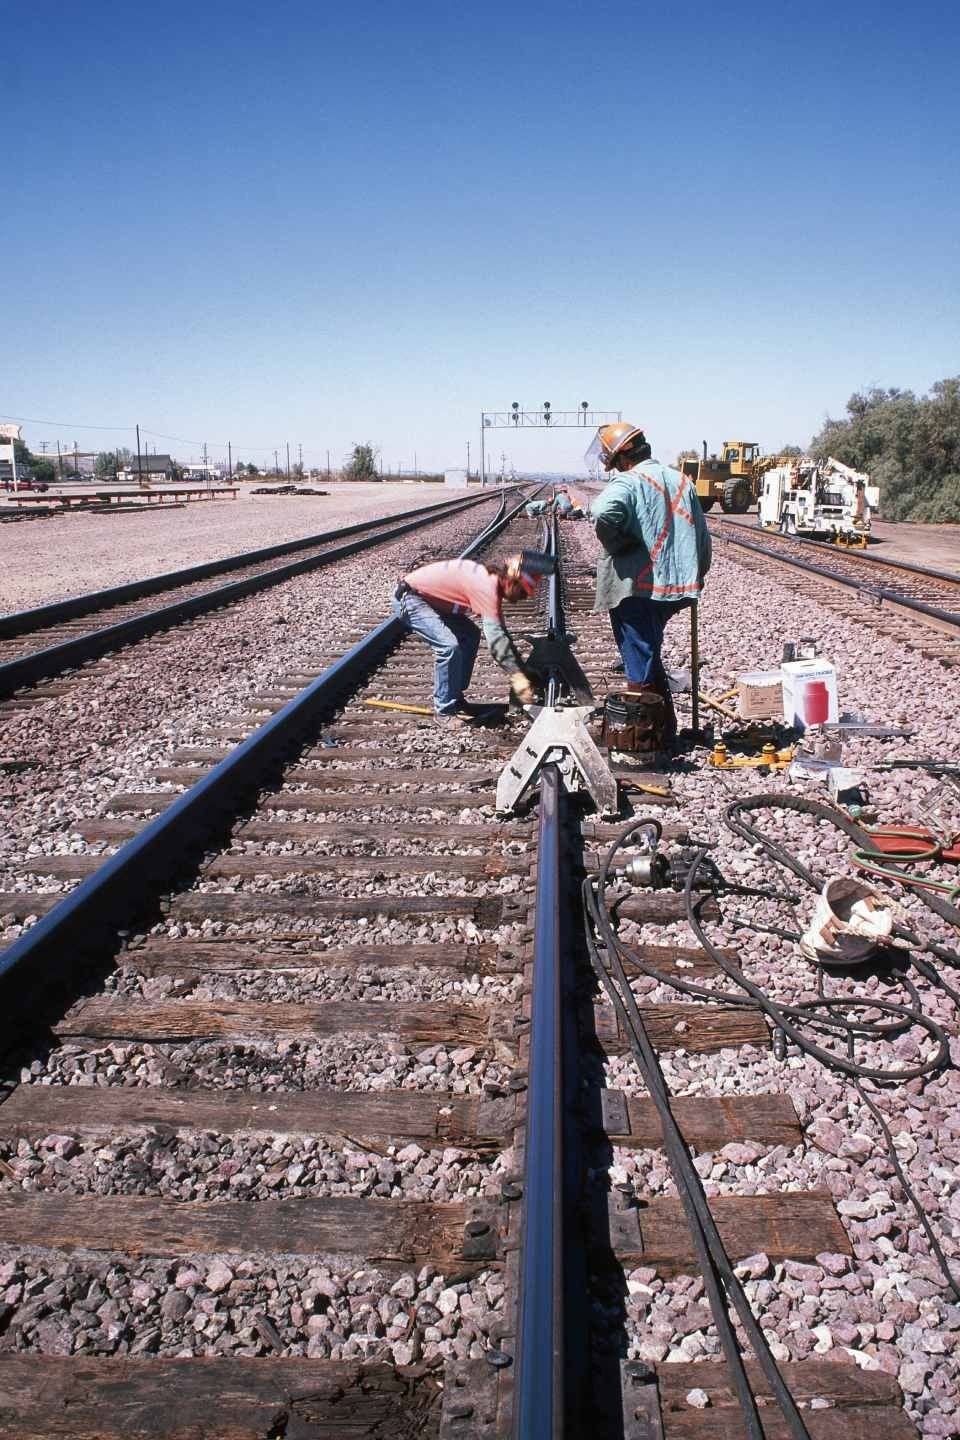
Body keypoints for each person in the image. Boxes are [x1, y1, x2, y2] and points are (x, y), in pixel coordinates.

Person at [585, 422, 711, 749]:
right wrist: (694, 576)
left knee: (638, 661)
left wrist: (620, 543)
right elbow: (702, 540)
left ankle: (641, 737)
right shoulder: (683, 481)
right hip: (675, 587)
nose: (612, 467)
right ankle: (666, 730)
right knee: (649, 651)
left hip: (637, 588)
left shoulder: (629, 480)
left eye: (612, 461)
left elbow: (600, 511)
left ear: (624, 456)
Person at [393, 552, 548, 725]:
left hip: (433, 603)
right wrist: (518, 676)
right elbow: (496, 640)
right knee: (448, 646)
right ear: (511, 580)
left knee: (470, 635)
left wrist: (521, 670)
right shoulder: (486, 586)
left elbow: (502, 635)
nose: (523, 598)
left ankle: (455, 699)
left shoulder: (491, 584)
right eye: (522, 591)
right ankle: (444, 711)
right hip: (412, 599)